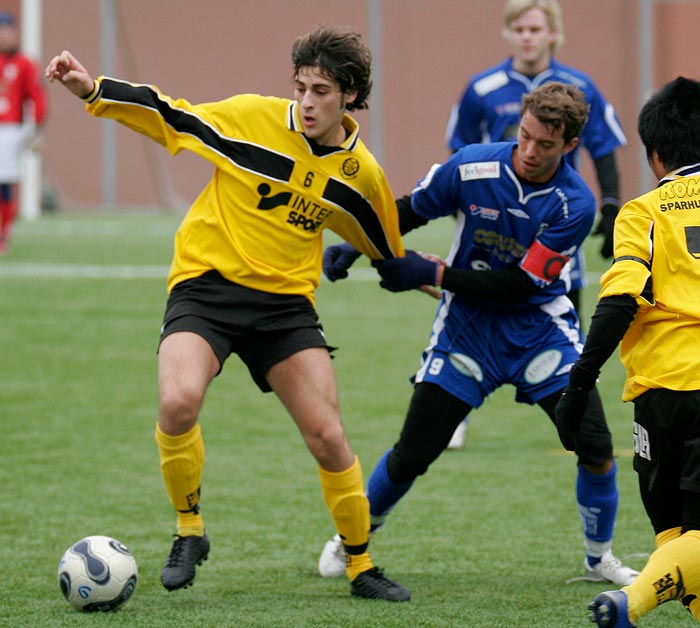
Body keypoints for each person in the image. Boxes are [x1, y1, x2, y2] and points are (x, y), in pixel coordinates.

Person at [45, 25, 412, 602]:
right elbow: (172, 115)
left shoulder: (359, 174)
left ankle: (361, 566)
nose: (308, 102)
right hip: (206, 289)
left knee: (328, 436)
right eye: (301, 87)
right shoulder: (251, 119)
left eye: (321, 90)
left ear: (350, 95)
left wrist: (432, 278)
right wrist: (94, 90)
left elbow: (385, 244)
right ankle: (190, 530)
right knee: (177, 400)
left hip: (285, 308)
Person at [319, 82, 638, 588]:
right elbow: (408, 208)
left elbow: (517, 287)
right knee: (414, 452)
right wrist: (358, 245)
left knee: (595, 444)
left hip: (539, 332)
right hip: (466, 332)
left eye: (546, 145)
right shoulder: (472, 165)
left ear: (570, 146)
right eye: (526, 137)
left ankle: (599, 559)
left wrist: (431, 274)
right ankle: (350, 540)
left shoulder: (573, 204)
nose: (530, 152)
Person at [443, 0, 627, 450]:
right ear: (508, 34)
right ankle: (451, 412)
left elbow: (603, 148)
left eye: (535, 28)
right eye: (519, 28)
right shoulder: (482, 87)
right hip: (491, 224)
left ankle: (576, 417)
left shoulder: (579, 86)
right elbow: (459, 153)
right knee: (467, 312)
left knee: (565, 320)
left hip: (552, 224)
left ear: (552, 34)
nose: (527, 36)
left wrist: (610, 206)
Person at [555, 77, 700, 627]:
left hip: (659, 394)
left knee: (676, 539)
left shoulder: (642, 212)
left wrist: (578, 384)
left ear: (655, 154)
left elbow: (618, 301)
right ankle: (629, 603)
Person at [0, 10, 47, 253]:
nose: (6, 35)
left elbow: (36, 96)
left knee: (5, 184)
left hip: (8, 131)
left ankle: (3, 233)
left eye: (9, 30)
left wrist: (38, 127)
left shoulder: (24, 63)